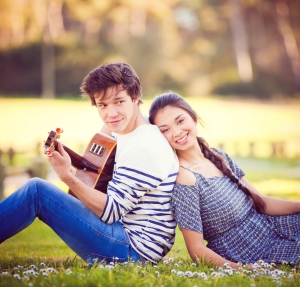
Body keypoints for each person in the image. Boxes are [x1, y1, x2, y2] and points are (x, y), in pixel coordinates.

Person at [0, 63, 178, 264]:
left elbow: (111, 212)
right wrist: (65, 153)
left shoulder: (144, 146)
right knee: (37, 191)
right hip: (128, 237)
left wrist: (66, 175)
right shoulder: (128, 129)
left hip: (132, 251)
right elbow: (99, 149)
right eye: (102, 105)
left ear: (136, 98)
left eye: (119, 102)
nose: (111, 114)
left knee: (37, 192)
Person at [149, 92, 300, 270]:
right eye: (165, 130)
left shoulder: (217, 156)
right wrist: (243, 268)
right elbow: (196, 249)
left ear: (193, 118)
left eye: (180, 121)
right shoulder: (185, 179)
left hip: (272, 228)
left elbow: (261, 203)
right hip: (248, 250)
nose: (176, 132)